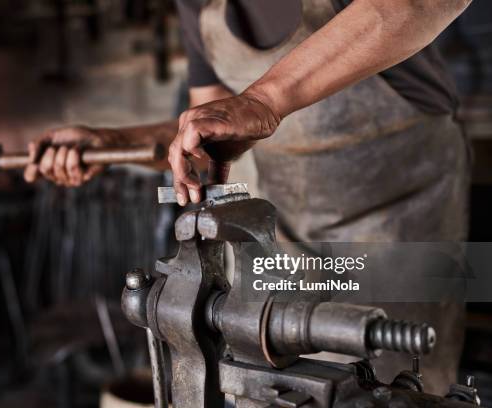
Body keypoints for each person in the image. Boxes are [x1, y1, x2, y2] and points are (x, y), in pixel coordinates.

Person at [25, 0, 472, 395]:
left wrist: (264, 100)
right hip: (279, 234)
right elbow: (214, 123)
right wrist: (110, 142)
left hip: (397, 215)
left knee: (394, 379)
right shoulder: (199, 5)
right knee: (274, 384)